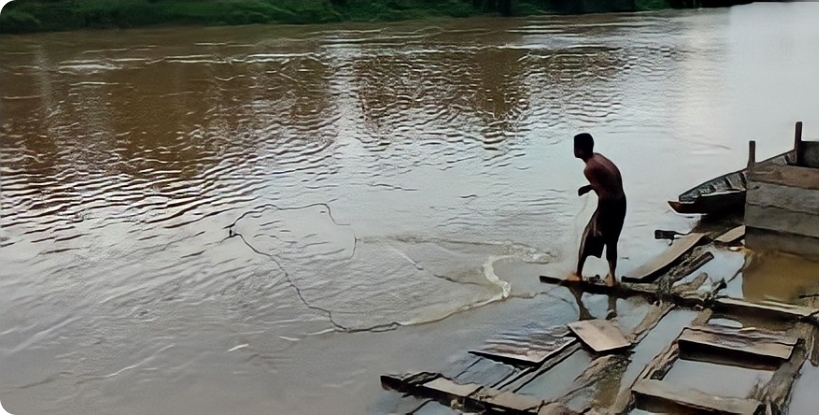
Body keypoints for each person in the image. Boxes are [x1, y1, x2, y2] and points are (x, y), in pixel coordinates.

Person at [569, 133, 626, 287]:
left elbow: (604, 192)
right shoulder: (598, 158)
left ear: (579, 150)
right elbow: (608, 182)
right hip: (621, 202)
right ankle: (612, 277)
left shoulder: (589, 169)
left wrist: (600, 216)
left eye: (574, 147)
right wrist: (590, 187)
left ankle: (578, 274)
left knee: (588, 236)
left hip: (609, 205)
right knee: (612, 241)